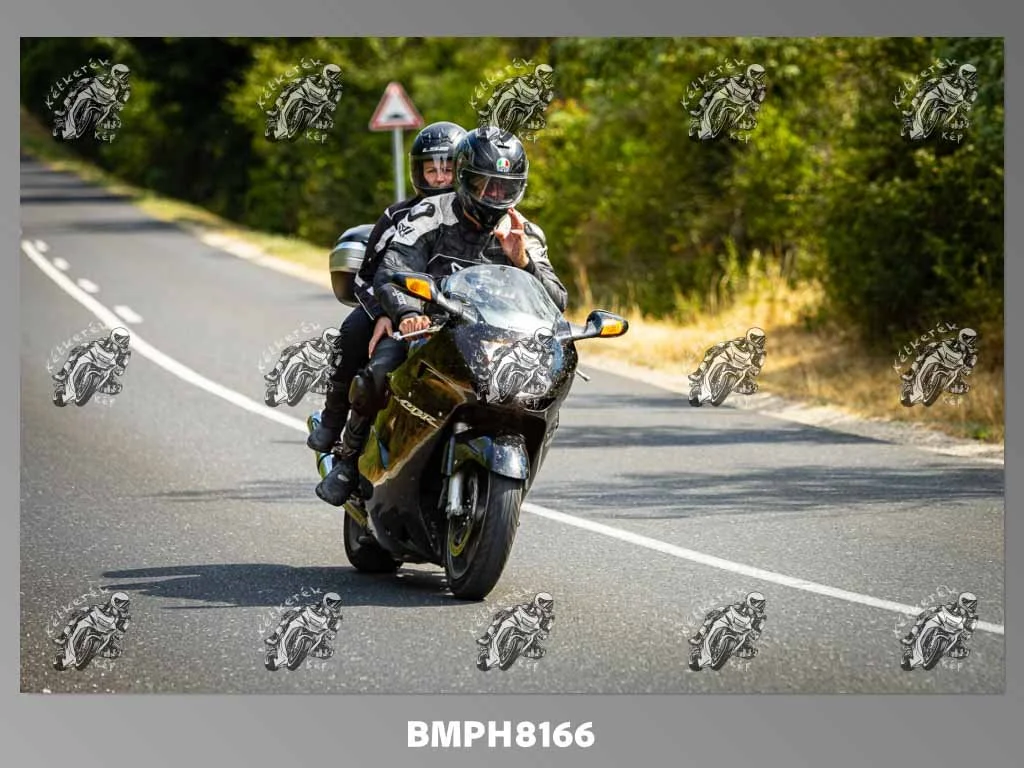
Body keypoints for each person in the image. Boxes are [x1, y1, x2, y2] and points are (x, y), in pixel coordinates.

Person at [314, 126, 568, 507]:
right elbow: (392, 268)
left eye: (504, 187)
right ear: (464, 176)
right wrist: (406, 313)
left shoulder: (524, 231)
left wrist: (523, 260)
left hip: (493, 340)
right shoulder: (431, 213)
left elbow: (556, 299)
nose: (493, 195)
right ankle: (348, 461)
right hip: (430, 329)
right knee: (379, 370)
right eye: (484, 184)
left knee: (541, 394)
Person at [307, 121, 467, 455]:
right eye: (432, 170)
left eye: (448, 169)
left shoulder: (474, 219)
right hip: (395, 311)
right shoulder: (397, 216)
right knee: (354, 333)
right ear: (418, 172)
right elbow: (366, 275)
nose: (440, 178)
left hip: (455, 319)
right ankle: (335, 427)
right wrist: (384, 313)